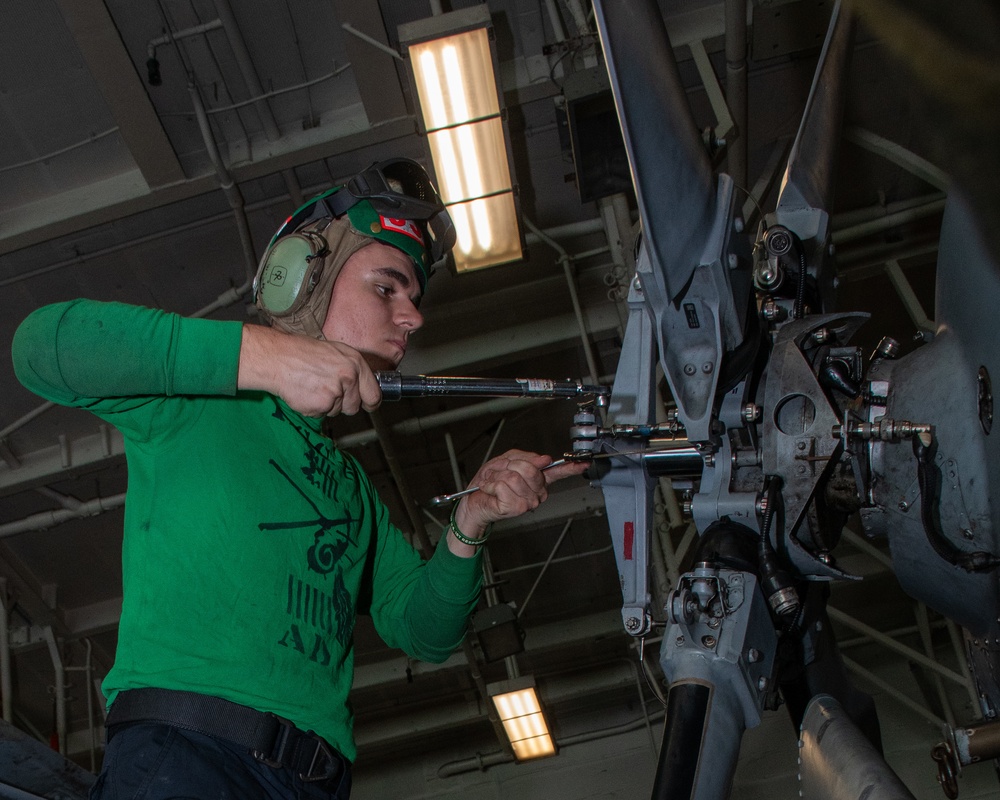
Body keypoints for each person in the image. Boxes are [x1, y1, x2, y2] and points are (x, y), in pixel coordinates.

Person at [11, 158, 586, 799]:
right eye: (386, 288)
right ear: (300, 281)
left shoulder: (352, 489)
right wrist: (260, 354)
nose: (413, 317)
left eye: (415, 300)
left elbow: (423, 630)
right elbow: (40, 348)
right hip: (190, 756)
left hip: (313, 783)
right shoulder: (196, 400)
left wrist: (470, 522)